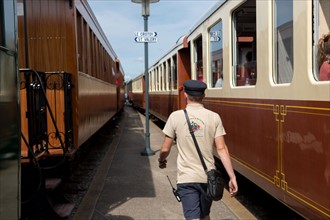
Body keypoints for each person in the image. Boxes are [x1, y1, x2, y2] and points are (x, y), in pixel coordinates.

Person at [158, 80, 238, 220]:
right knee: (204, 215)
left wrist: (162, 160)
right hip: (207, 177)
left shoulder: (175, 117)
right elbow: (222, 149)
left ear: (185, 95)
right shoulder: (214, 117)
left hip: (186, 178)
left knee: (193, 217)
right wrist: (232, 176)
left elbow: (165, 148)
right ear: (204, 95)